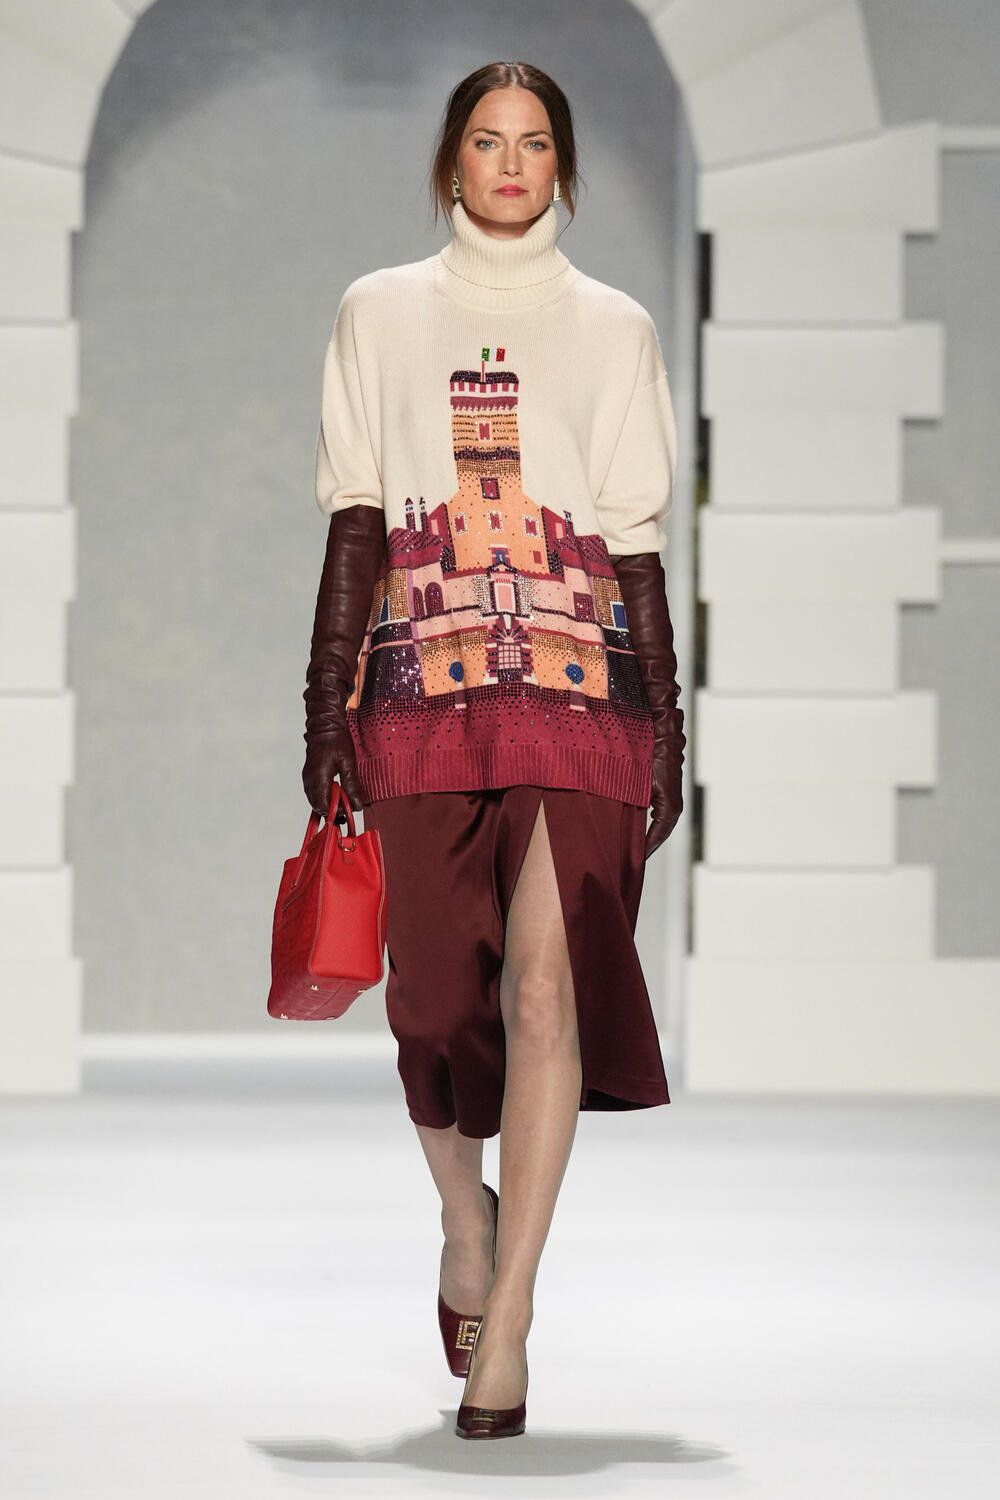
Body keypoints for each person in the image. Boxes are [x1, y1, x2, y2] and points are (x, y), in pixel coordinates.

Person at [300, 61, 684, 1441]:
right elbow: (358, 516)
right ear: (450, 162)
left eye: (534, 143)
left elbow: (633, 538)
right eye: (485, 140)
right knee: (432, 1003)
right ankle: (465, 1223)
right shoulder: (381, 311)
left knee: (542, 992)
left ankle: (508, 1320)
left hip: (585, 692)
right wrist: (324, 703)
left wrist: (668, 720)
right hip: (421, 682)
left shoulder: (616, 328)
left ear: (562, 165)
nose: (511, 164)